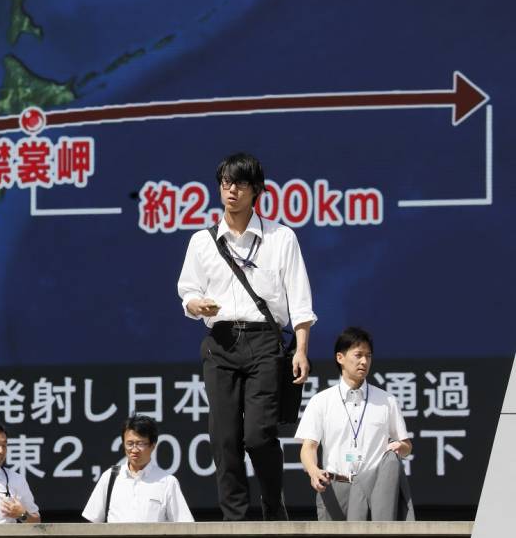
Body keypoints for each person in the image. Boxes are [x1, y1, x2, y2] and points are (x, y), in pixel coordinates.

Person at [176, 152, 316, 520]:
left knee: (258, 435)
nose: (231, 190)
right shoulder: (202, 241)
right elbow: (187, 290)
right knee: (224, 438)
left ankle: (272, 504)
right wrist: (196, 304)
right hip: (220, 342)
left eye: (240, 183)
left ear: (256, 190)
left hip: (265, 342)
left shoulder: (281, 238)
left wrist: (301, 349)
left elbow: (300, 301)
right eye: (225, 183)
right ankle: (234, 520)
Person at [295, 327, 414, 520]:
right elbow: (309, 446)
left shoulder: (387, 400)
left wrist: (401, 447)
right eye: (358, 355)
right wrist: (314, 471)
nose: (364, 361)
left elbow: (407, 446)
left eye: (368, 356)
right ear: (340, 357)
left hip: (374, 490)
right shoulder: (321, 400)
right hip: (334, 486)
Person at [82, 414, 194, 523]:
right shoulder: (110, 477)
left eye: (140, 444)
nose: (134, 450)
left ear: (153, 445)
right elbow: (93, 522)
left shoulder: (167, 482)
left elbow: (185, 525)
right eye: (130, 443)